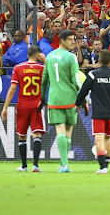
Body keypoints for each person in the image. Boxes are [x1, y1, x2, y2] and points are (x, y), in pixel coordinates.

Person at [76, 49, 110, 174]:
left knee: (99, 138)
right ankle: (106, 165)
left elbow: (83, 91)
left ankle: (102, 166)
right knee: (108, 138)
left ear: (99, 61)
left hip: (98, 111)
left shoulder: (93, 75)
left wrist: (77, 104)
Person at [40, 29, 81, 173]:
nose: (73, 42)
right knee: (67, 132)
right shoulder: (71, 57)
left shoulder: (49, 57)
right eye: (70, 39)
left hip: (55, 99)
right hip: (70, 98)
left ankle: (63, 164)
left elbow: (44, 80)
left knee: (61, 131)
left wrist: (42, 98)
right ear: (62, 40)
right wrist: (83, 98)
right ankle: (65, 164)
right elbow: (76, 81)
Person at [2, 45, 46, 172]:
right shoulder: (42, 68)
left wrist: (5, 107)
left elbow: (12, 89)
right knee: (36, 134)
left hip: (22, 105)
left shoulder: (18, 68)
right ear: (39, 55)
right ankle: (36, 165)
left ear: (28, 55)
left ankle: (24, 166)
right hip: (37, 105)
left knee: (22, 135)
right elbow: (55, 76)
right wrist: (45, 61)